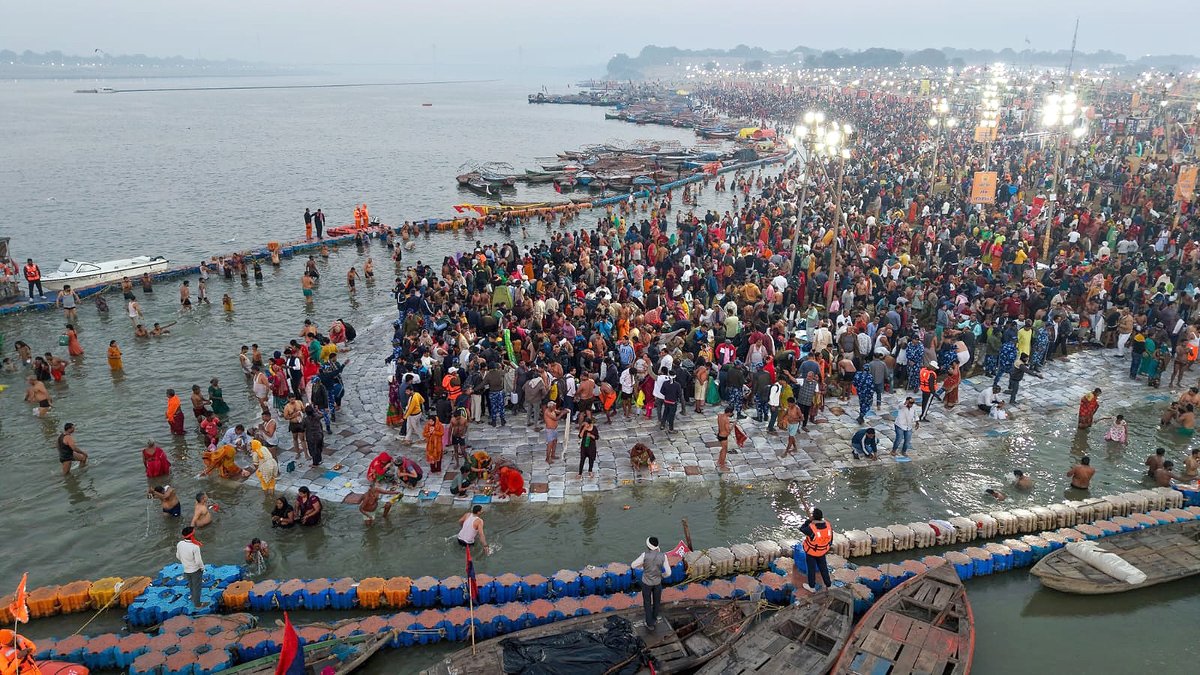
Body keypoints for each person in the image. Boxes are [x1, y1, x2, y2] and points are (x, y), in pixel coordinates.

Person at [631, 536, 671, 632]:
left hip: (646, 583)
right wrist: (662, 575)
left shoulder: (644, 555)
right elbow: (669, 573)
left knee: (647, 603)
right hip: (658, 583)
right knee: (657, 602)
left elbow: (633, 565)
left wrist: (643, 567)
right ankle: (654, 618)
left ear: (648, 546)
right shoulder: (663, 556)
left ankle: (650, 624)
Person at [797, 507, 833, 593]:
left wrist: (808, 521)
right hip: (822, 551)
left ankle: (812, 587)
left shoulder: (811, 528)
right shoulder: (828, 525)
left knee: (811, 569)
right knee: (823, 568)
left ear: (813, 517)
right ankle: (828, 584)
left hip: (812, 552)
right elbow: (831, 539)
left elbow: (802, 528)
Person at [176, 527, 207, 612]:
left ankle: (193, 597)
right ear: (192, 535)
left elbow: (178, 556)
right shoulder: (195, 546)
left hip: (186, 569)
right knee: (197, 587)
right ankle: (198, 604)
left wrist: (186, 563)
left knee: (191, 584)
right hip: (195, 570)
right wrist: (202, 568)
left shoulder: (180, 544)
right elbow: (198, 561)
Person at [577, 412, 599, 478]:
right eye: (584, 423)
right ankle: (580, 473)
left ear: (589, 424)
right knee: (582, 459)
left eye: (586, 424)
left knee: (591, 459)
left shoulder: (594, 428)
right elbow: (580, 436)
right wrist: (583, 429)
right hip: (584, 446)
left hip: (591, 447)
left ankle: (590, 471)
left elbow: (597, 437)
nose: (585, 425)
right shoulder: (584, 427)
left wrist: (591, 435)